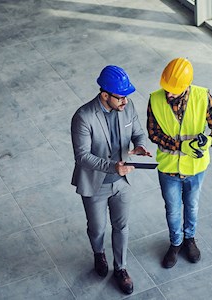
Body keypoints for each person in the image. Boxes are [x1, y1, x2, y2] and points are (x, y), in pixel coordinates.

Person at [71, 65, 151, 295]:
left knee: (121, 226)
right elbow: (82, 156)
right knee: (97, 229)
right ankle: (99, 253)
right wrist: (112, 166)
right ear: (104, 95)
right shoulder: (83, 117)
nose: (125, 102)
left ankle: (121, 268)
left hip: (122, 182)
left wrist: (140, 146)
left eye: (126, 97)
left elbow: (137, 132)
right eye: (120, 97)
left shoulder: (127, 106)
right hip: (96, 184)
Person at [147, 57, 212, 268]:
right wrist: (178, 146)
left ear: (186, 86)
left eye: (174, 90)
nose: (169, 94)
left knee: (191, 206)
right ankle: (176, 242)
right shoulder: (155, 99)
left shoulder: (203, 96)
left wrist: (209, 140)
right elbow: (153, 133)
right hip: (168, 169)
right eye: (166, 89)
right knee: (172, 210)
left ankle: (189, 239)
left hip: (196, 169)